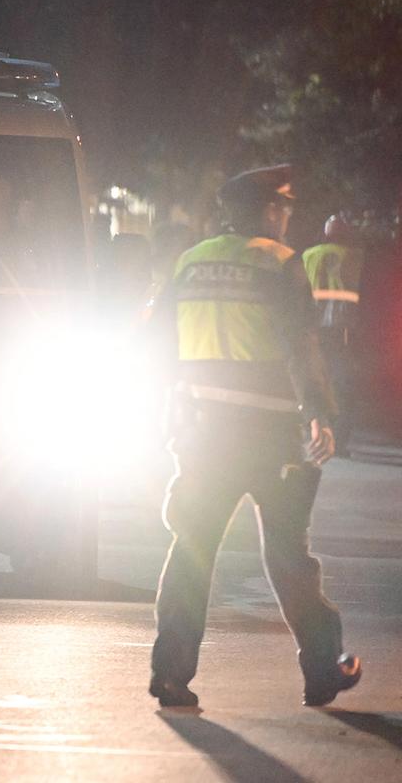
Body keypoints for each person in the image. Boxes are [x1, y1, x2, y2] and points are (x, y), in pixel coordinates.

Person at [147, 164, 361, 709]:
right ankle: (321, 672)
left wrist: (169, 408)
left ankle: (170, 675)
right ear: (270, 210)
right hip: (271, 436)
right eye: (285, 209)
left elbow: (157, 342)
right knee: (289, 556)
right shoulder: (279, 262)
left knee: (192, 550)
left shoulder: (190, 262)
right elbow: (301, 344)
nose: (287, 218)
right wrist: (322, 415)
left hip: (203, 436)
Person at [303, 213, 365, 454]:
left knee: (314, 382)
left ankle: (313, 434)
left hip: (312, 331)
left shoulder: (308, 255)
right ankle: (337, 442)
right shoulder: (354, 256)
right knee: (343, 390)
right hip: (341, 332)